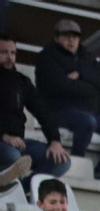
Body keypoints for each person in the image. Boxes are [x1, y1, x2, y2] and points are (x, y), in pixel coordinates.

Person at [36, 19, 100, 181]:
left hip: (90, 111)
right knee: (86, 121)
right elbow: (58, 87)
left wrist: (80, 76)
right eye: (66, 36)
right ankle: (75, 164)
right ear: (56, 38)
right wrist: (87, 85)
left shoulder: (86, 56)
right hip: (58, 110)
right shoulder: (47, 57)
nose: (72, 40)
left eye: (75, 37)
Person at [0, 35, 71, 182]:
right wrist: (4, 136)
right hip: (4, 143)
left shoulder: (21, 82)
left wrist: (54, 140)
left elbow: (43, 111)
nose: (10, 57)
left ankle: (21, 189)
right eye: (4, 52)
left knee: (62, 161)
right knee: (13, 156)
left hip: (19, 143)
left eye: (13, 53)